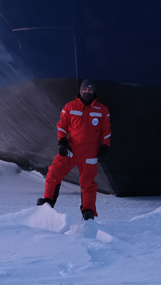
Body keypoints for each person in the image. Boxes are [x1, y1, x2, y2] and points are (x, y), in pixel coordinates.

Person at [37, 79, 111, 220]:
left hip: (90, 153)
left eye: (90, 89)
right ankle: (48, 201)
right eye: (84, 89)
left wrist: (105, 147)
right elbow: (62, 126)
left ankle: (88, 210)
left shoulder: (102, 110)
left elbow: (106, 131)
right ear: (80, 91)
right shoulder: (70, 107)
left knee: (88, 183)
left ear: (94, 91)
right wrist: (62, 142)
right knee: (54, 173)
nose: (87, 92)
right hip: (71, 149)